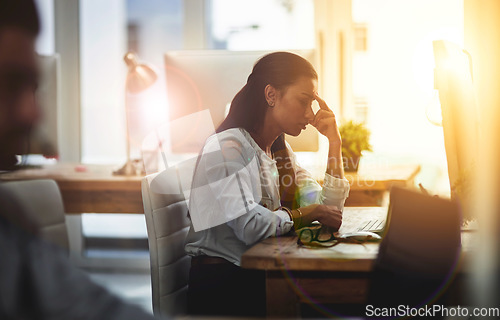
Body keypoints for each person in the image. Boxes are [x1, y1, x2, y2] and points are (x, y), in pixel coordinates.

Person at [0, 1, 157, 319]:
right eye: (9, 84)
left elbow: (92, 307)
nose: (34, 113)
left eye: (31, 88)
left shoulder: (9, 224)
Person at [185, 52, 350, 316]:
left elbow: (329, 209)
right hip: (224, 285)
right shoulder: (226, 148)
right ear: (271, 95)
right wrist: (305, 214)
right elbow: (250, 228)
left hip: (257, 274)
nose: (310, 115)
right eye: (303, 102)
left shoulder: (277, 150)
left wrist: (335, 143)